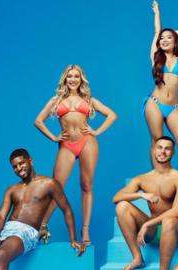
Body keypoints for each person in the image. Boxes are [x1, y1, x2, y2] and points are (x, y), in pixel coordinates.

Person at [34, 64, 117, 245]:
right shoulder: (55, 100)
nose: (73, 79)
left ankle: (85, 229)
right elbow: (38, 121)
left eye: (76, 76)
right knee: (56, 187)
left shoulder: (89, 99)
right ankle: (42, 225)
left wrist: (96, 131)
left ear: (81, 80)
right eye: (70, 76)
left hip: (87, 142)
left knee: (86, 185)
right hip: (67, 144)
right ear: (65, 79)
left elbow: (112, 115)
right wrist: (54, 138)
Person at [0, 149, 84, 270]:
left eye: (21, 163)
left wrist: (73, 239)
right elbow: (1, 215)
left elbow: (67, 210)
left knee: (2, 254)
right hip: (6, 228)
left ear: (30, 161)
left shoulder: (49, 183)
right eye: (15, 166)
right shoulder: (11, 190)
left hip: (26, 231)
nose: (19, 168)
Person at [143, 0, 178, 196]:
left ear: (175, 41)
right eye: (162, 39)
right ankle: (158, 181)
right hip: (155, 104)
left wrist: (173, 33)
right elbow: (156, 31)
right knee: (157, 143)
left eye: (169, 38)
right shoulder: (155, 56)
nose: (165, 40)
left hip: (174, 106)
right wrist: (157, 14)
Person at [113, 136, 178, 270]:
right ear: (154, 151)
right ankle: (137, 258)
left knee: (168, 221)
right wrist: (141, 195)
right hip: (154, 230)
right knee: (122, 206)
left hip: (177, 228)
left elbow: (176, 211)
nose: (163, 151)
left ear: (173, 153)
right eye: (159, 148)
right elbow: (116, 198)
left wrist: (147, 224)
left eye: (167, 149)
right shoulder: (143, 178)